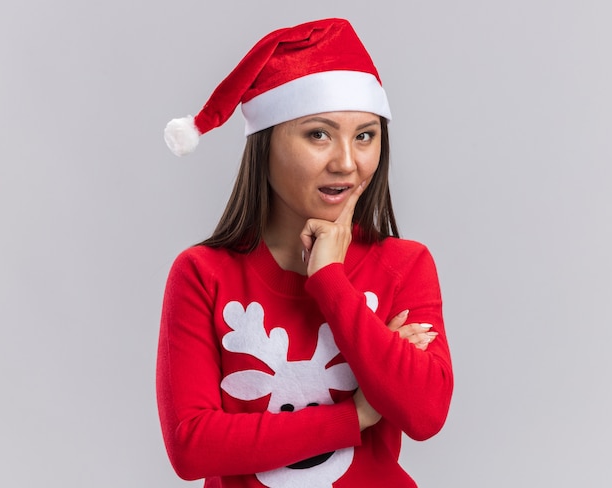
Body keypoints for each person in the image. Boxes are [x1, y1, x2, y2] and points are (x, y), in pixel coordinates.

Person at [157, 18, 453, 488]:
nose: (347, 162)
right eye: (319, 134)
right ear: (266, 141)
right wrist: (354, 416)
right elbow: (193, 446)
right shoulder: (202, 274)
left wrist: (331, 281)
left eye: (365, 135)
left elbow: (424, 413)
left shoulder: (405, 265)